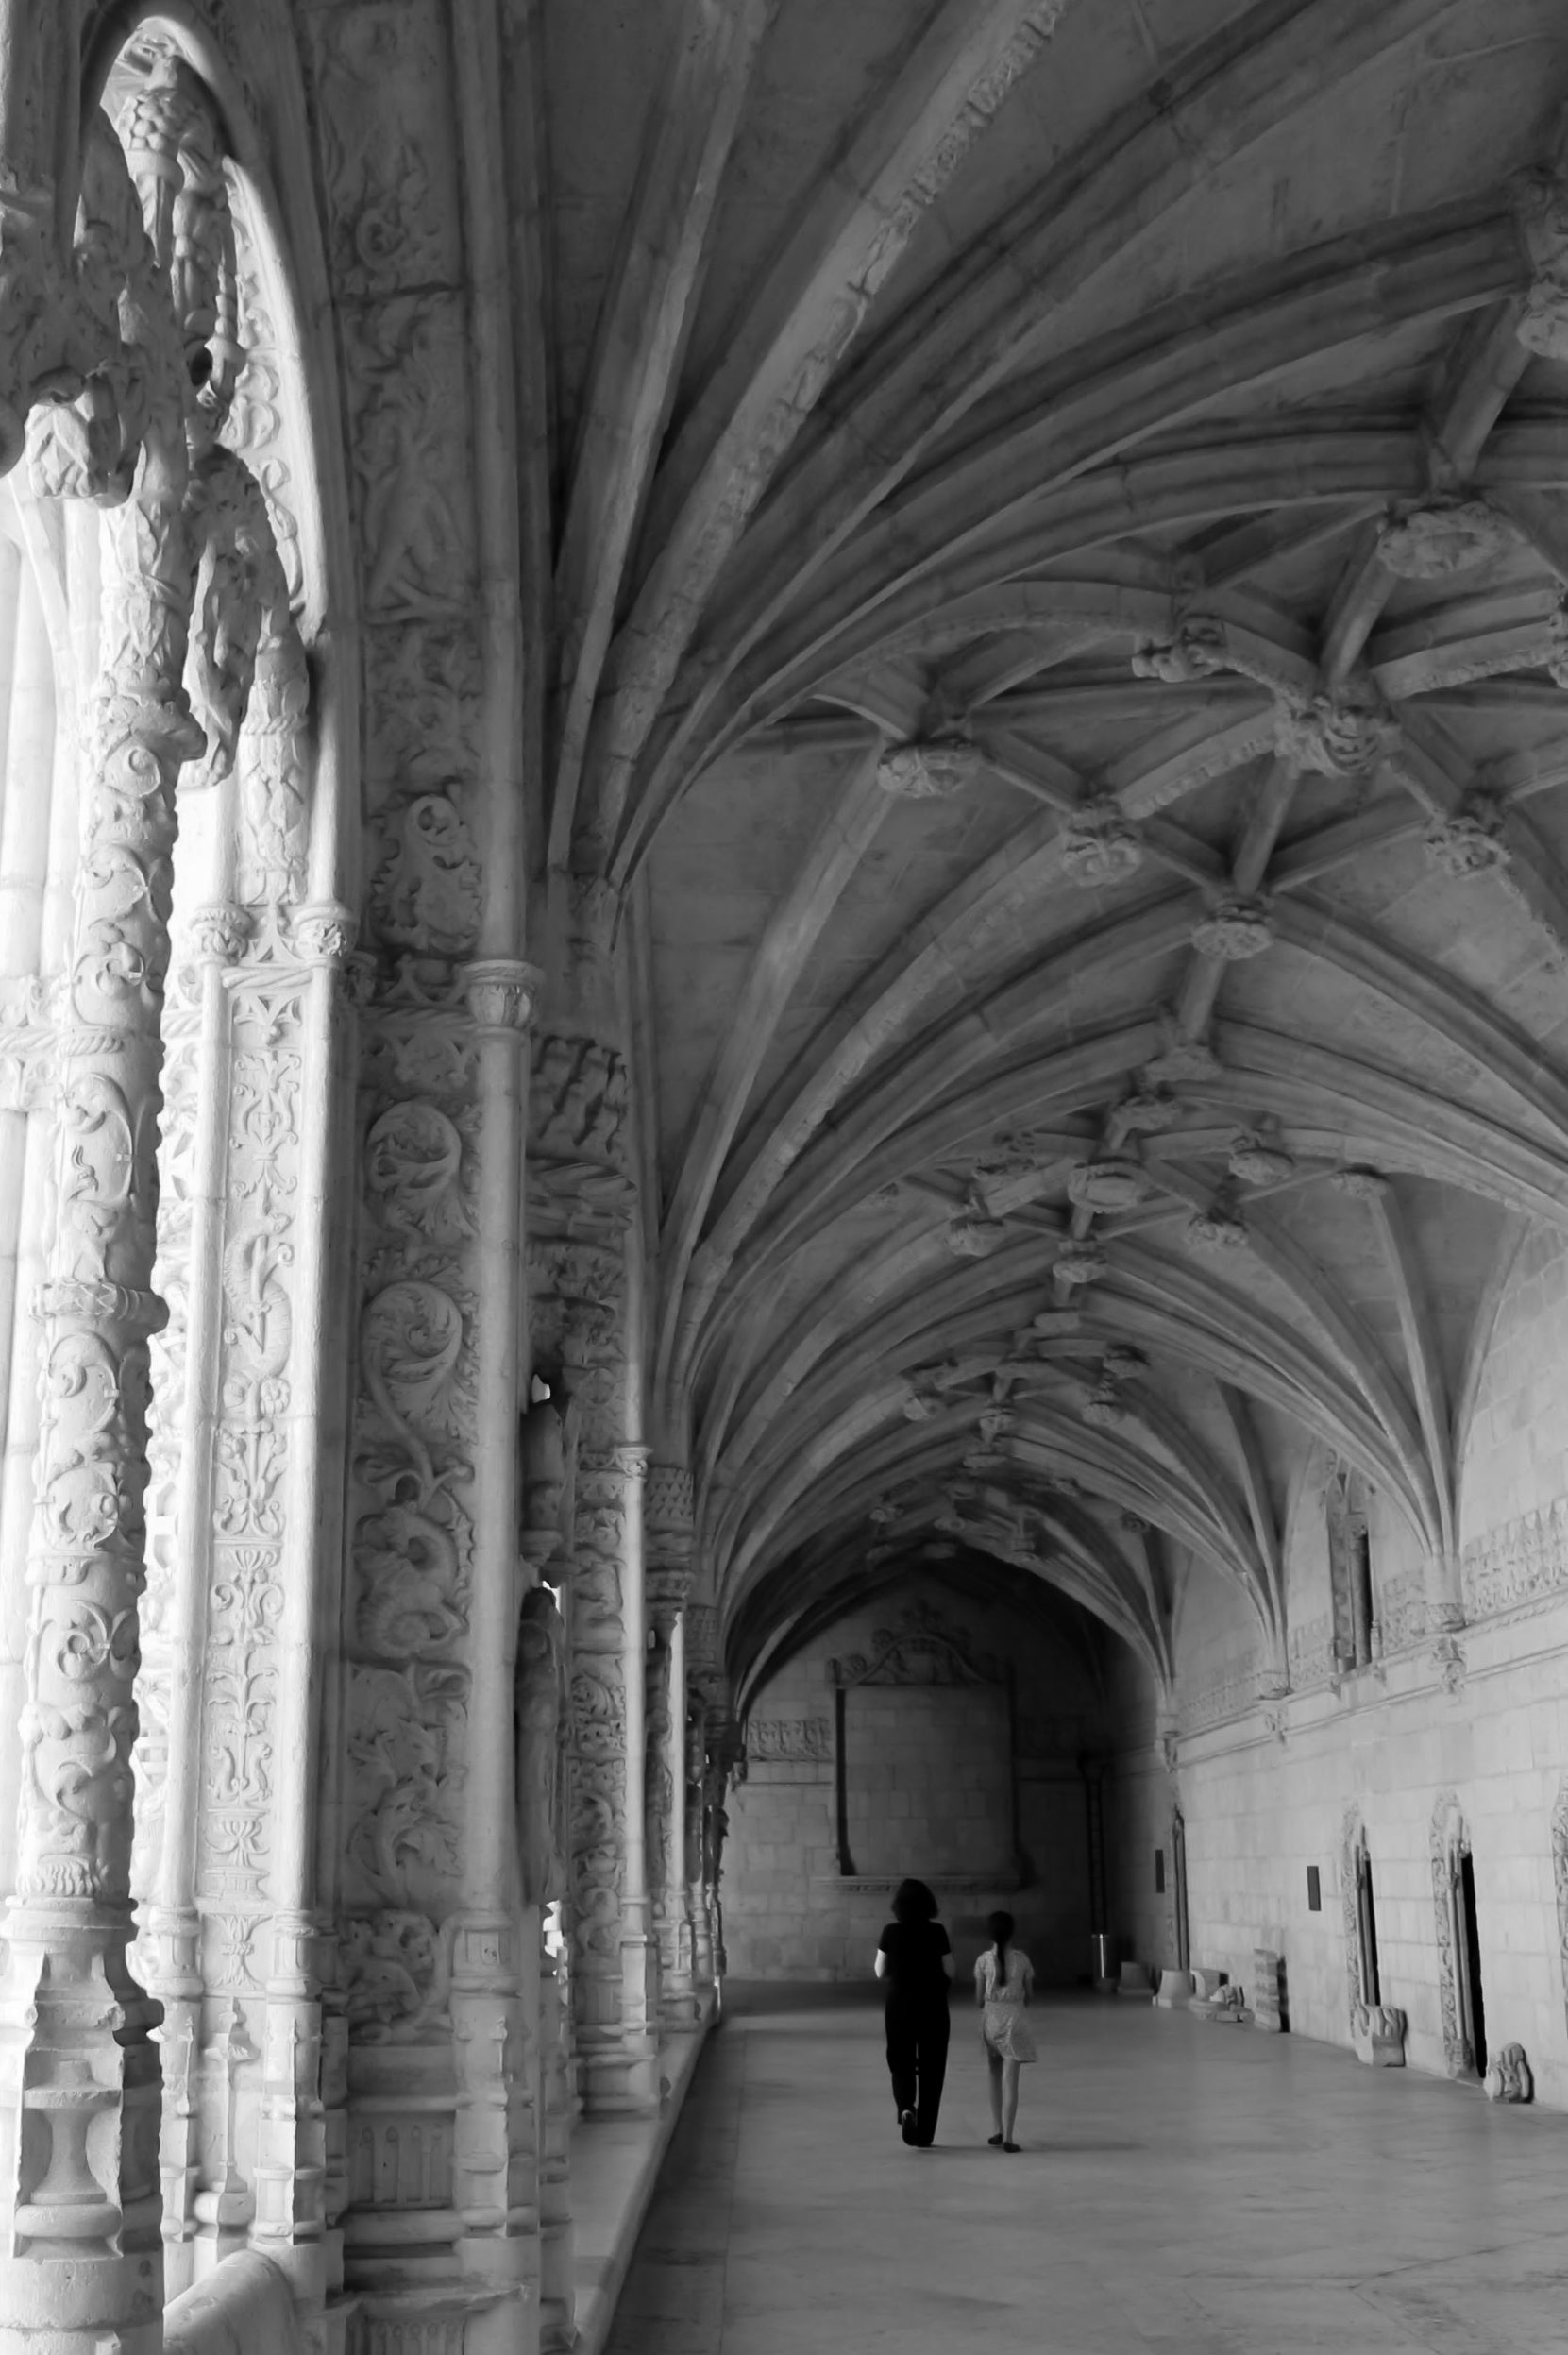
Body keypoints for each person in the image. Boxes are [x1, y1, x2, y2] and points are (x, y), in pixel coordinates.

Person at [874, 1878, 953, 2146]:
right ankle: (926, 2135)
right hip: (933, 2006)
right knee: (933, 2068)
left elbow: (879, 1970)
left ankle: (906, 2108)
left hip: (899, 2005)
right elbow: (950, 1969)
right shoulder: (937, 1931)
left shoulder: (890, 1931)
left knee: (901, 2061)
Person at [974, 1908, 1036, 2150]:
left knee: (993, 2076)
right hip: (1015, 2021)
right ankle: (1010, 2137)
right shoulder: (1022, 1960)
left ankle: (996, 2130)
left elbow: (979, 2000)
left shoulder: (983, 1961)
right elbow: (1029, 1997)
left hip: (991, 2021)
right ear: (1013, 1932)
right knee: (1011, 2080)